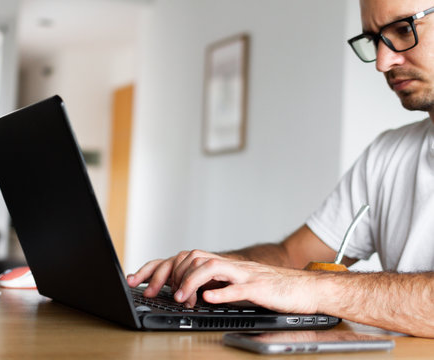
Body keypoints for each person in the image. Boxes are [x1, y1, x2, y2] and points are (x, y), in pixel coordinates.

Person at [127, 0, 434, 338]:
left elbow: (299, 280)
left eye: (403, 30)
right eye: (374, 40)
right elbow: (293, 256)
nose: (382, 61)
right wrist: (224, 268)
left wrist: (312, 288)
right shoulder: (389, 153)